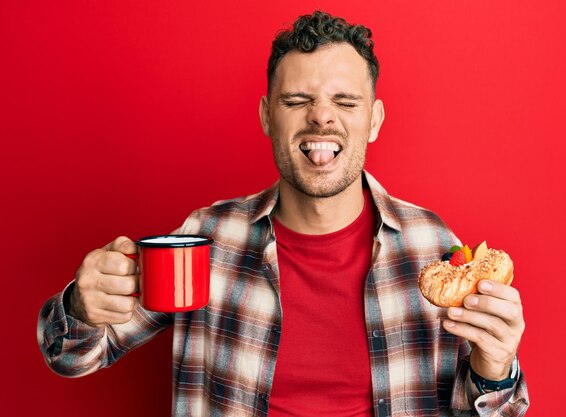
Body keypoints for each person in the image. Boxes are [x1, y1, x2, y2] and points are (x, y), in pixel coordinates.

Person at [38, 10, 529, 417]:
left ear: (374, 120)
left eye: (345, 101)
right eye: (297, 101)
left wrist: (496, 366)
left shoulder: (433, 248)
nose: (321, 116)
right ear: (267, 117)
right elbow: (72, 356)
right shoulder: (206, 239)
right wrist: (82, 307)